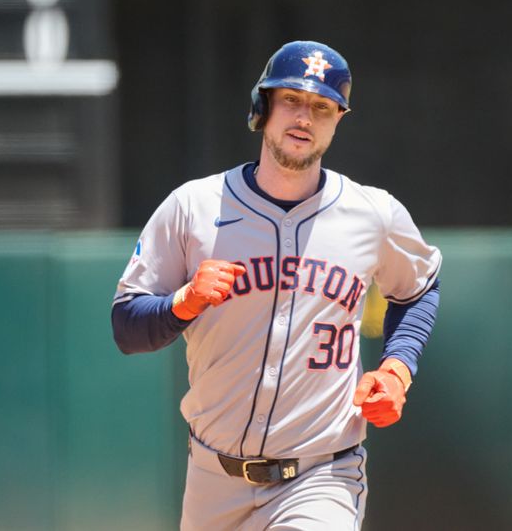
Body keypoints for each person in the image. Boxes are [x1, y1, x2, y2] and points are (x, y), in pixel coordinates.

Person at [111, 40, 441, 531]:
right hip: (212, 477)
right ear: (262, 108)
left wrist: (397, 369)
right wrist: (184, 302)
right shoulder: (194, 206)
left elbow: (418, 289)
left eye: (322, 107)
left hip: (322, 473)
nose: (305, 117)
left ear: (338, 120)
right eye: (292, 100)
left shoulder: (374, 214)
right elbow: (126, 327)